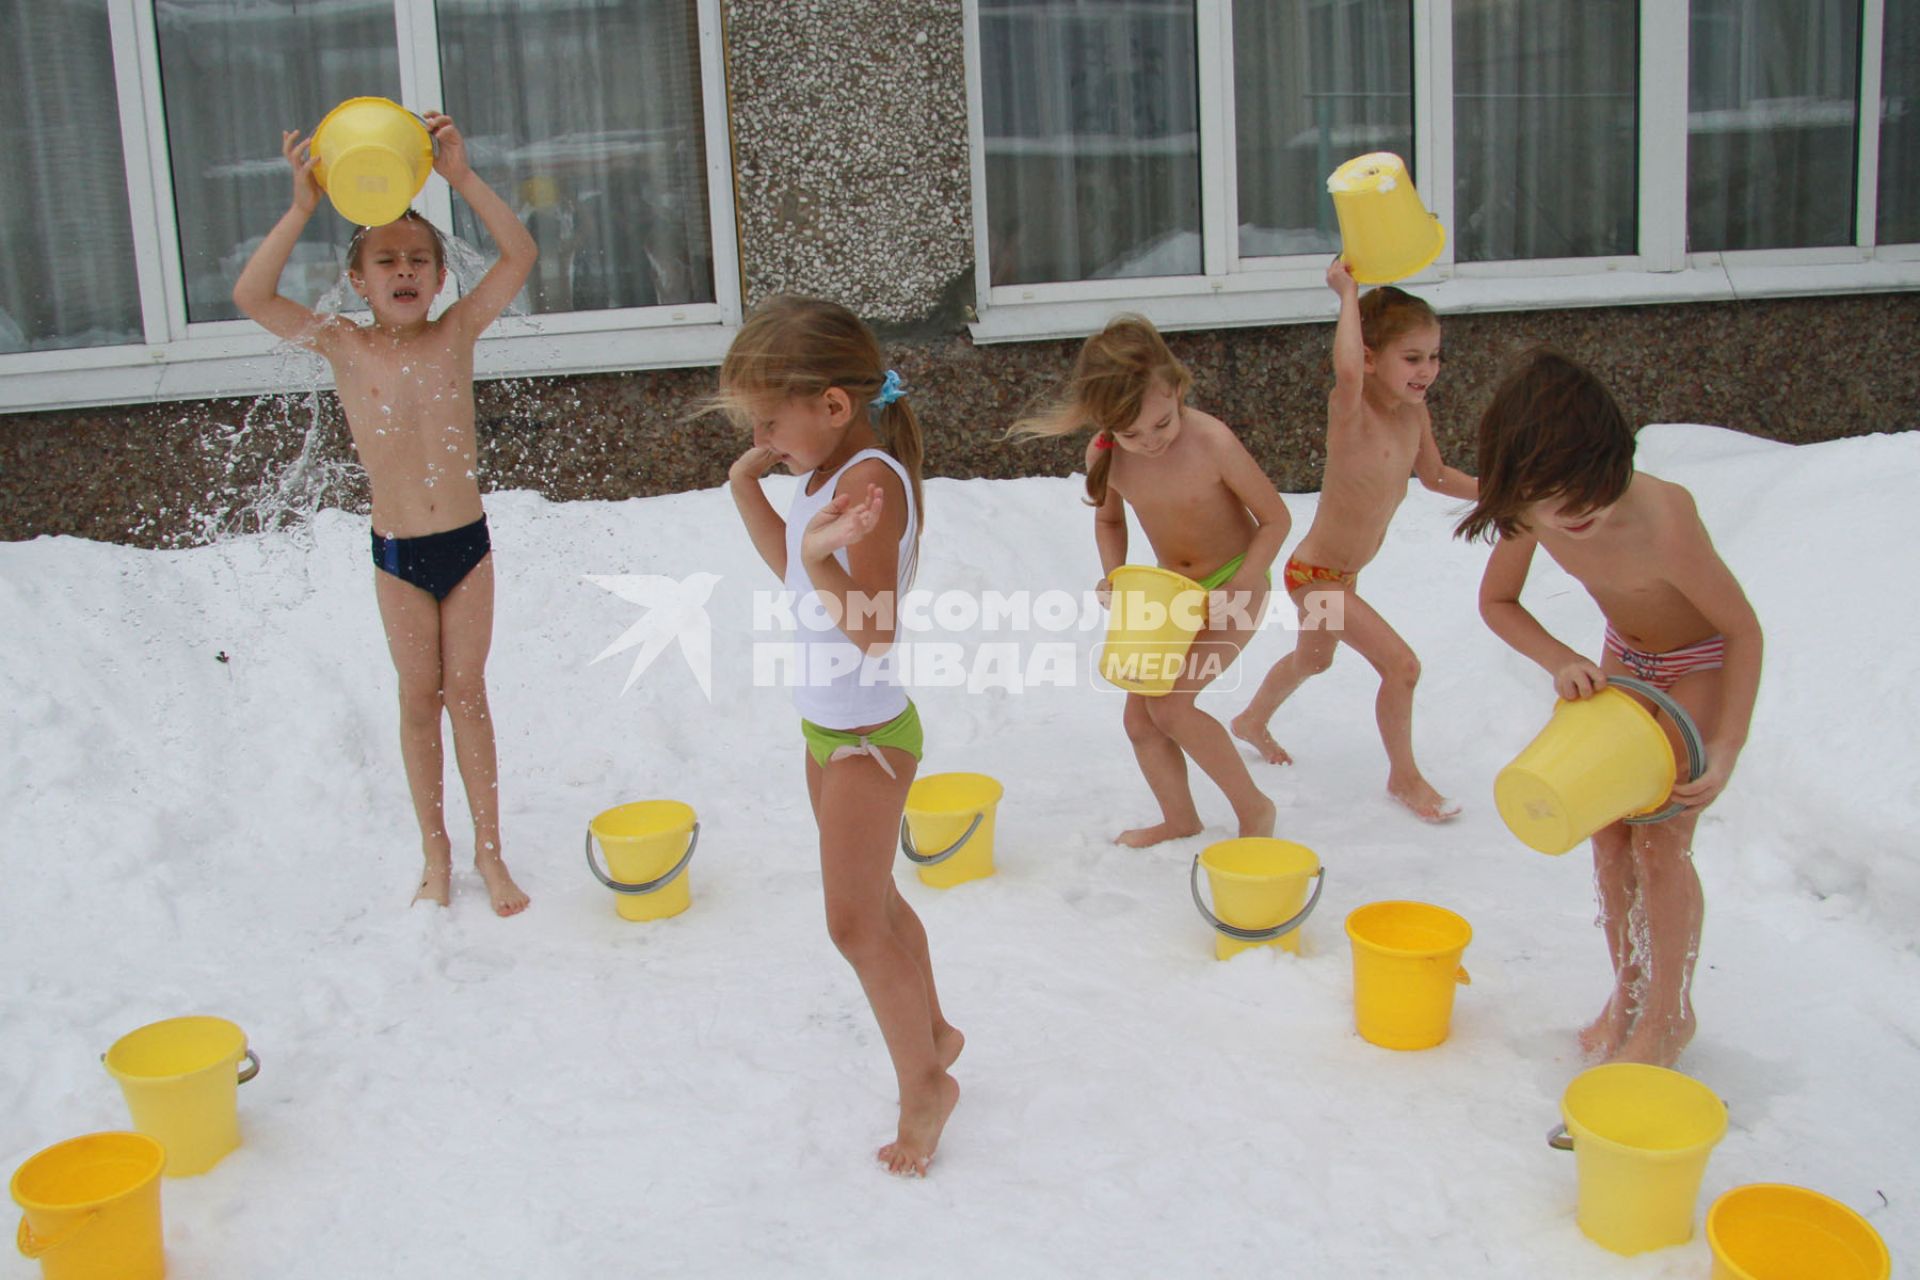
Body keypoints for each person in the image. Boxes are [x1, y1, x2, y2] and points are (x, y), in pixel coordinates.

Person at [232, 113, 536, 916]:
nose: (403, 270)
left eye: (418, 259)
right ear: (359, 281)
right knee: (418, 697)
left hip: (466, 545)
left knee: (467, 693)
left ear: (441, 278)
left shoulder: (457, 330)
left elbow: (521, 255)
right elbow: (252, 294)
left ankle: (490, 853)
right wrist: (302, 206)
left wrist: (462, 178)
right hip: (398, 549)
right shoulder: (343, 344)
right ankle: (434, 856)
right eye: (385, 260)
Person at [1456, 349, 1761, 1066]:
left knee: (1661, 842)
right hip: (1625, 661)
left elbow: (1741, 629)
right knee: (1606, 830)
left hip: (1697, 669)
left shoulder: (1663, 520)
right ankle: (1629, 986)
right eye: (1552, 499)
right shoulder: (1532, 515)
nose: (1577, 512)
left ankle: (1667, 1014)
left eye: (1591, 489)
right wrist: (1562, 659)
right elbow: (1497, 603)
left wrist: (1727, 746)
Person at [721, 296, 960, 1177]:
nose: (761, 434)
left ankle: (925, 1087)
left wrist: (820, 555)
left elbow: (874, 628)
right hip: (828, 731)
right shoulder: (825, 477)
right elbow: (796, 573)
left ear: (832, 404)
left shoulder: (871, 482)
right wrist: (750, 485)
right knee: (882, 905)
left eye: (768, 420)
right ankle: (934, 1031)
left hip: (868, 735)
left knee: (853, 926)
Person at [1012, 315, 1288, 847]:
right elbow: (1109, 520)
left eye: (1162, 424)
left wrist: (1245, 582)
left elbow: (1276, 520)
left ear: (1177, 388)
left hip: (1237, 584)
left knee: (1173, 706)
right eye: (1131, 434)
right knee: (1140, 722)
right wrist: (1113, 575)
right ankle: (1180, 818)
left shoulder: (1212, 442)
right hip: (1170, 597)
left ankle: (1256, 809)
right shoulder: (1108, 456)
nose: (1151, 441)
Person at [1231, 262, 1476, 822]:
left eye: (1434, 356)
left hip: (1343, 576)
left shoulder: (1414, 415)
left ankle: (1250, 721)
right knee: (1402, 667)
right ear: (1371, 358)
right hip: (1313, 575)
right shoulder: (1352, 410)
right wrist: (1348, 294)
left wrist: (1502, 494)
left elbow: (1436, 476)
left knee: (1313, 661)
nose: (1427, 370)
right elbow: (1344, 371)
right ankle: (1404, 778)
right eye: (1412, 358)